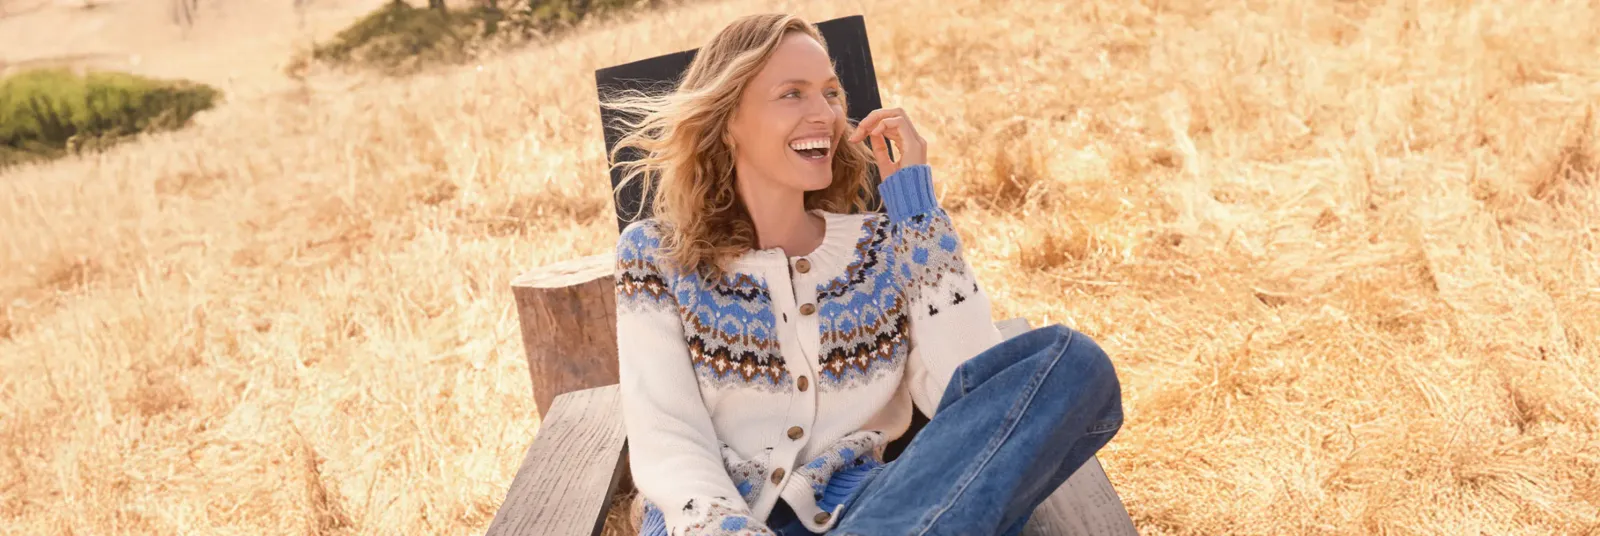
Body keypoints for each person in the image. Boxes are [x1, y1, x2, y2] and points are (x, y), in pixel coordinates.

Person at [602, 13, 1124, 536]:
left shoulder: (884, 248)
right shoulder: (657, 256)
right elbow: (667, 432)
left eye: (831, 93)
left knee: (1073, 363)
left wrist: (916, 215)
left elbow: (969, 395)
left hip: (873, 514)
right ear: (727, 118)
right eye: (792, 94)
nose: (825, 114)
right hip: (713, 521)